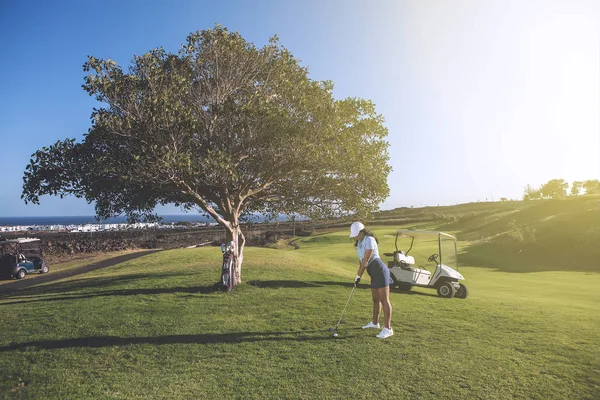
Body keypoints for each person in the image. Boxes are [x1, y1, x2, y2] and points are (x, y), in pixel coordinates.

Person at [350, 221, 394, 339]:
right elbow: (361, 261)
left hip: (379, 270)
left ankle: (388, 328)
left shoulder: (369, 239)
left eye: (355, 234)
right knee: (375, 300)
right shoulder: (359, 242)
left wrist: (359, 275)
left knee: (385, 300)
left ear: (361, 232)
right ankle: (375, 323)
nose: (354, 237)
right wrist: (358, 274)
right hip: (373, 273)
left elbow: (366, 260)